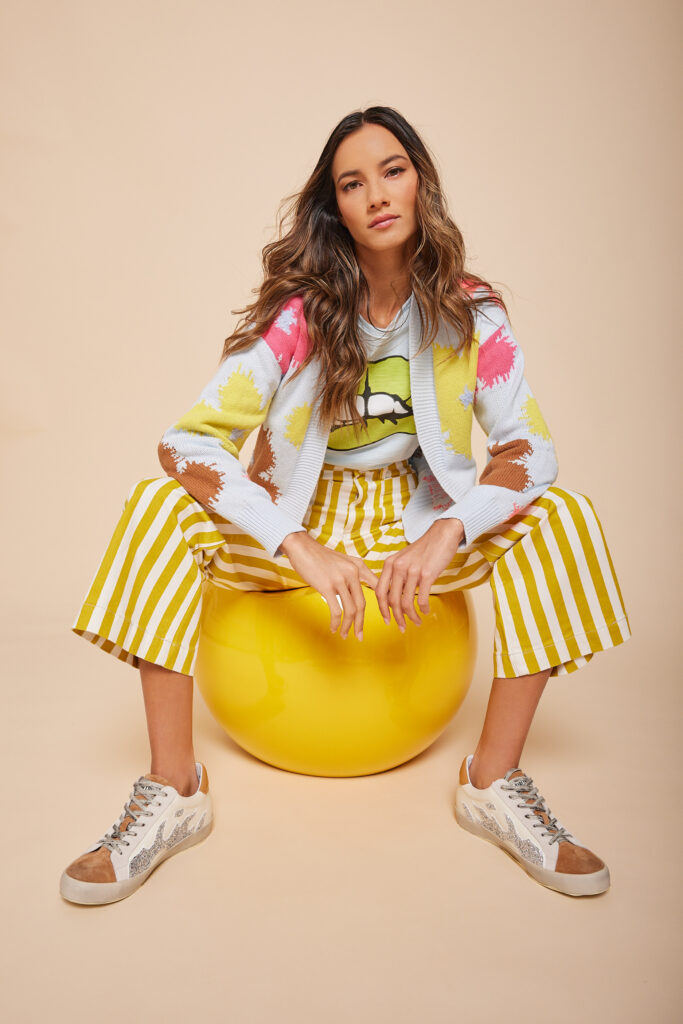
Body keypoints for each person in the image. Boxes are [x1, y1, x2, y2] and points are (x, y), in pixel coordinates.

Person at [60, 105, 631, 906]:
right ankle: (173, 788)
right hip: (299, 516)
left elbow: (531, 450)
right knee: (158, 504)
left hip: (416, 515)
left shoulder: (471, 311)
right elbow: (185, 444)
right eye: (351, 182)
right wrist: (295, 541)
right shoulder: (299, 316)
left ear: (420, 181)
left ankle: (491, 781)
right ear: (336, 206)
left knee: (560, 514)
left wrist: (445, 531)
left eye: (391, 170)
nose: (376, 195)